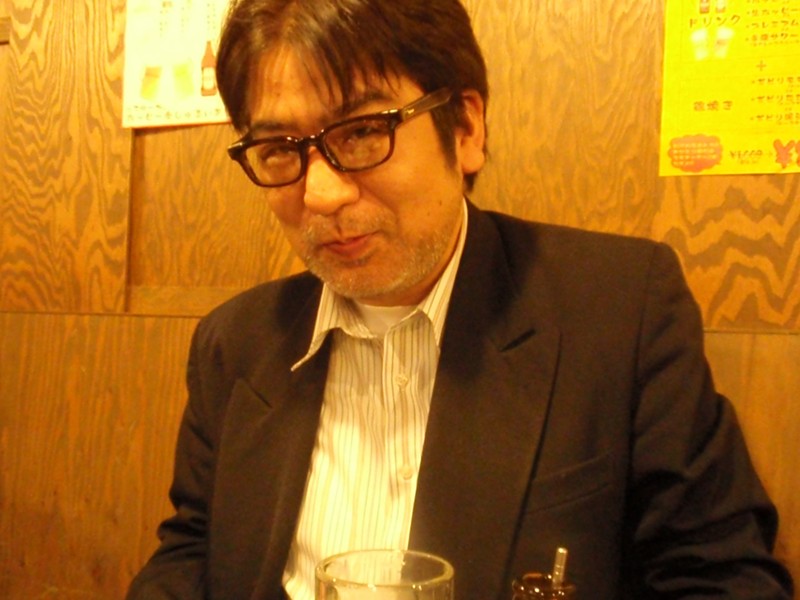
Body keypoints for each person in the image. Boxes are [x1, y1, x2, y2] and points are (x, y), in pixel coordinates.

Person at [127, 0, 795, 598]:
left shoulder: (618, 310)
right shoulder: (236, 343)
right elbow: (192, 552)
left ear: (467, 128)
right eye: (279, 148)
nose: (321, 194)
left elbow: (721, 577)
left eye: (362, 131)